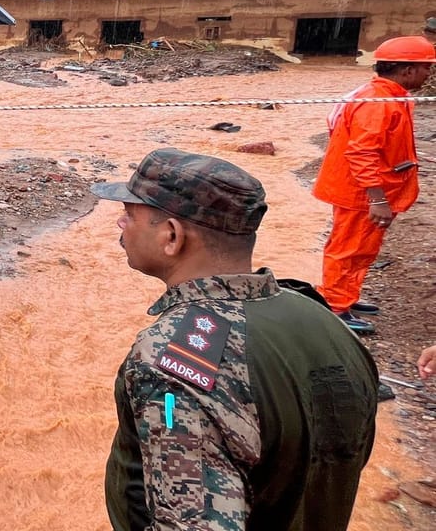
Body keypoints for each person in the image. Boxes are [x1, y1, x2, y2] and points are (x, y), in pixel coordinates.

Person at [93, 148, 378, 531]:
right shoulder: (325, 320)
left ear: (172, 236)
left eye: (130, 215)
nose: (120, 223)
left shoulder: (171, 364)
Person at [313, 35, 435, 332]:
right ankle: (335, 307)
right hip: (360, 192)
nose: (428, 74)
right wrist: (377, 199)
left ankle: (346, 296)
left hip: (367, 188)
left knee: (363, 247)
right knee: (348, 248)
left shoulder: (390, 95)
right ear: (407, 70)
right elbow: (362, 151)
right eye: (425, 68)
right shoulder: (378, 102)